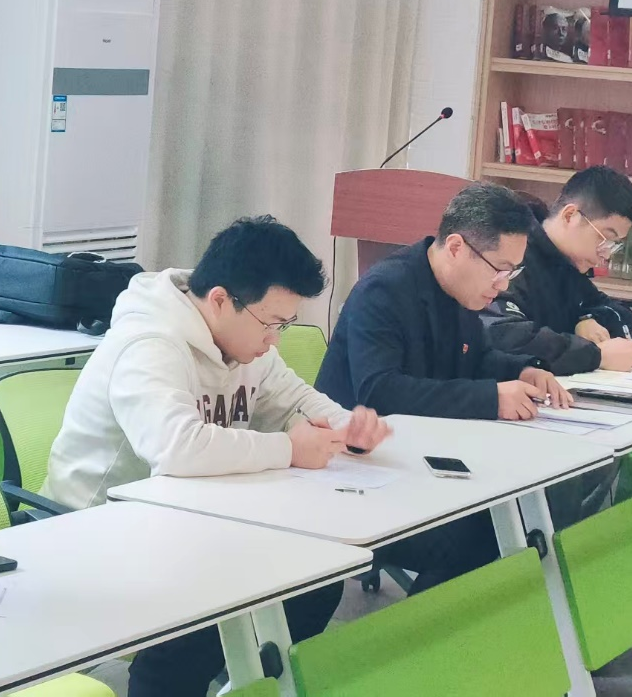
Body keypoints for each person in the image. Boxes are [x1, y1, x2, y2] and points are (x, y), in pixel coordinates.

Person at [43, 215, 391, 697]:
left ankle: (246, 682)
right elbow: (176, 447)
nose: (275, 339)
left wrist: (349, 428)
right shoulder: (150, 342)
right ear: (222, 300)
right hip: (94, 530)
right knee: (205, 613)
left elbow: (297, 400)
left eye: (285, 325)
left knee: (316, 583)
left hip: (192, 521)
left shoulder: (247, 343)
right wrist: (289, 449)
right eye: (271, 324)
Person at [314, 182, 570, 592]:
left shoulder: (459, 292)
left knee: (520, 512)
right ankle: (424, 631)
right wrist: (492, 398)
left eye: (513, 272)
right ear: (456, 247)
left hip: (419, 463)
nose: (503, 285)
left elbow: (475, 360)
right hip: (358, 472)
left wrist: (523, 371)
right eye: (499, 269)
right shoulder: (384, 291)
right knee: (487, 532)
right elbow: (380, 392)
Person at [483, 165, 632, 376]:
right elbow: (503, 335)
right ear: (570, 216)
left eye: (614, 245)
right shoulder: (513, 255)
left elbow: (623, 315)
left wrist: (587, 319)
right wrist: (595, 355)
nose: (606, 255)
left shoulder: (566, 266)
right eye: (605, 238)